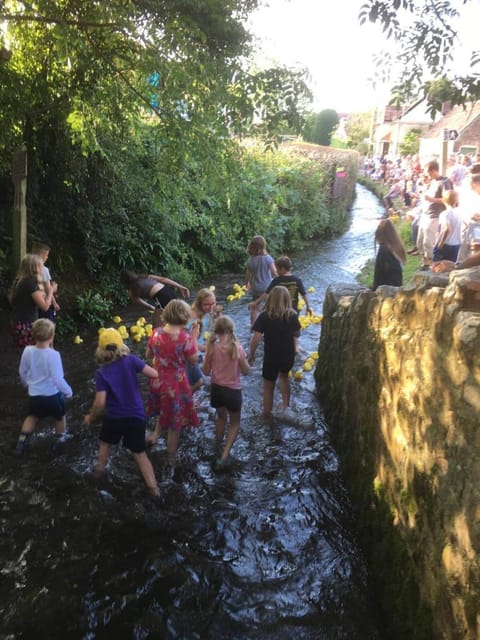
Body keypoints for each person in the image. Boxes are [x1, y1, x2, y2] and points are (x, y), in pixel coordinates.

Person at [84, 327, 160, 497]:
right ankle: (154, 490)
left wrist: (91, 416)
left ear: (101, 350)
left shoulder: (102, 373)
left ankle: (97, 476)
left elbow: (100, 403)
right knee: (140, 454)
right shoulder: (132, 360)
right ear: (121, 346)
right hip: (136, 417)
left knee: (105, 445)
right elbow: (154, 374)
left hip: (114, 419)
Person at [146, 299, 200, 475]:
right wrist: (194, 338)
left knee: (163, 409)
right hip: (176, 384)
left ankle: (154, 435)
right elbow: (192, 360)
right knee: (175, 424)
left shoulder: (156, 333)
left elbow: (148, 354)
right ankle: (170, 457)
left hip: (157, 380)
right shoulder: (185, 338)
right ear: (184, 316)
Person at [15, 318, 72, 456]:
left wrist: (26, 384)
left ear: (33, 335)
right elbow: (58, 379)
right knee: (60, 418)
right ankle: (60, 442)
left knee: (32, 417)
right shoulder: (54, 355)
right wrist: (68, 392)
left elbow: (22, 371)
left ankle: (21, 443)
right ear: (52, 337)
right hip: (53, 396)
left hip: (35, 395)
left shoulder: (27, 351)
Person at [202, 316, 249, 470]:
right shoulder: (238, 348)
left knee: (221, 418)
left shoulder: (212, 347)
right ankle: (224, 454)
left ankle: (217, 446)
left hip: (216, 390)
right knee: (234, 423)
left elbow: (206, 372)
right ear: (231, 330)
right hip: (233, 392)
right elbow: (246, 371)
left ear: (216, 331)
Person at [247, 285, 301, 419]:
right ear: (287, 300)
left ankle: (266, 412)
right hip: (288, 356)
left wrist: (251, 355)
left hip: (271, 357)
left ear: (270, 299)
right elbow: (297, 333)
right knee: (284, 377)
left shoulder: (264, 316)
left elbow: (256, 338)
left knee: (268, 386)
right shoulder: (292, 315)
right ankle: (285, 405)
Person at [9, 253, 59, 348]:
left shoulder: (19, 281)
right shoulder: (30, 284)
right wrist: (51, 290)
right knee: (35, 354)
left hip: (17, 322)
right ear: (34, 268)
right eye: (41, 266)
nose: (42, 269)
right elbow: (45, 306)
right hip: (26, 325)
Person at [416, 160, 453, 269]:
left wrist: (431, 199)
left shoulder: (444, 182)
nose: (426, 174)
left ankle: (430, 265)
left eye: (427, 171)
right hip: (425, 215)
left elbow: (448, 199)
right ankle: (424, 262)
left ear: (433, 170)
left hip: (435, 216)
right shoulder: (432, 182)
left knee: (428, 242)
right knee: (420, 242)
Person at [186, 288, 223, 392]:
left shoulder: (208, 312)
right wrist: (203, 347)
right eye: (207, 304)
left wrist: (219, 315)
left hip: (198, 352)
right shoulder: (191, 317)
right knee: (199, 382)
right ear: (199, 303)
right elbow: (184, 342)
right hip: (190, 355)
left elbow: (221, 328)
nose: (211, 307)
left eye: (213, 303)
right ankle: (185, 398)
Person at [120, 269, 190, 312]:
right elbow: (164, 279)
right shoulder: (145, 277)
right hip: (168, 290)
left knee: (162, 321)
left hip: (161, 297)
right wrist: (180, 287)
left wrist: (151, 307)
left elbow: (141, 302)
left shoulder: (131, 291)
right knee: (178, 312)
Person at [245, 235, 278, 325]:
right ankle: (268, 323)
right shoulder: (268, 258)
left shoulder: (251, 260)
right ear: (263, 246)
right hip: (266, 288)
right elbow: (274, 272)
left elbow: (248, 274)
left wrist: (246, 283)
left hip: (255, 287)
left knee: (254, 306)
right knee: (269, 306)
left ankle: (253, 325)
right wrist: (280, 279)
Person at [372, 219, 406, 290]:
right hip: (397, 287)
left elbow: (378, 276)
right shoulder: (396, 247)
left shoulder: (383, 250)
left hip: (386, 291)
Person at [31, 242, 60, 322]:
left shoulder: (29, 268)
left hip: (35, 303)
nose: (47, 257)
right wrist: (54, 303)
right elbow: (48, 289)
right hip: (45, 301)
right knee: (48, 325)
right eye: (46, 255)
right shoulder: (44, 270)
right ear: (41, 255)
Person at [432, 190, 462, 263]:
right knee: (451, 265)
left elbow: (447, 229)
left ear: (443, 200)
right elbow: (466, 225)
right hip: (457, 244)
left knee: (439, 265)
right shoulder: (460, 212)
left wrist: (441, 242)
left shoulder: (445, 214)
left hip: (446, 244)